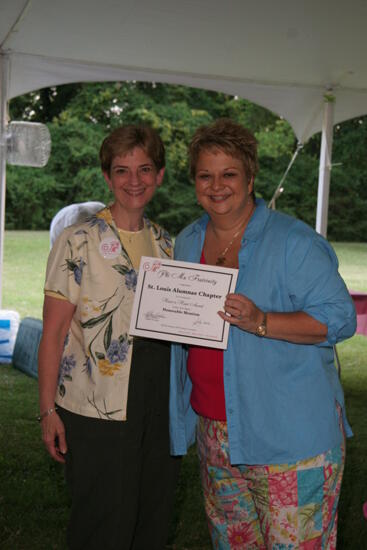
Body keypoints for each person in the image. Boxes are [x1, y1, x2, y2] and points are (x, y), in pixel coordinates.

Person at [169, 118, 356, 549]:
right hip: (216, 435)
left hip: (289, 441)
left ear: (251, 177)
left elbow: (340, 318)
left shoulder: (293, 242)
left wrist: (261, 321)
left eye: (229, 174)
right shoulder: (186, 242)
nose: (217, 186)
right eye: (205, 175)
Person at [38, 124, 180, 550]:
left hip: (157, 404)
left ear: (159, 175)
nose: (133, 181)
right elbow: (54, 332)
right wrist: (47, 411)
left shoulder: (168, 245)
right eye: (122, 170)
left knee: (151, 520)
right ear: (107, 176)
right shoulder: (76, 241)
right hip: (95, 406)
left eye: (144, 169)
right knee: (102, 523)